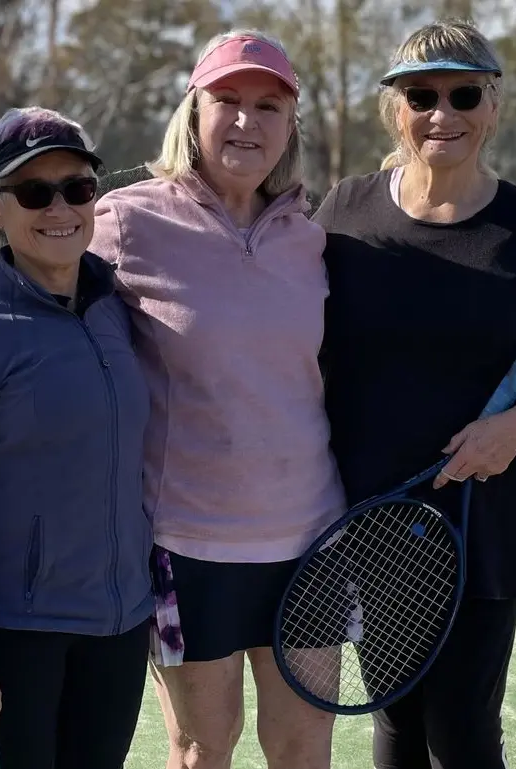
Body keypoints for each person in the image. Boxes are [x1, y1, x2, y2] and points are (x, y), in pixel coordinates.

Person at [313, 20, 516, 768]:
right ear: (394, 108)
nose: (443, 113)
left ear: (492, 107)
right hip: (369, 515)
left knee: (462, 731)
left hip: (482, 520)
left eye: (464, 94)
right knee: (397, 727)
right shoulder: (344, 211)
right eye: (421, 95)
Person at [87, 29, 346, 769]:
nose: (246, 120)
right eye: (227, 100)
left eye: (268, 105)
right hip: (185, 544)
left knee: (303, 749)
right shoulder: (128, 221)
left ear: (289, 125)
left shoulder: (310, 235)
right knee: (204, 747)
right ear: (192, 113)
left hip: (313, 539)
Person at [0, 107, 154, 768]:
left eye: (76, 188)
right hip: (19, 638)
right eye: (33, 191)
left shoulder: (117, 310)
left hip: (119, 627)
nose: (59, 207)